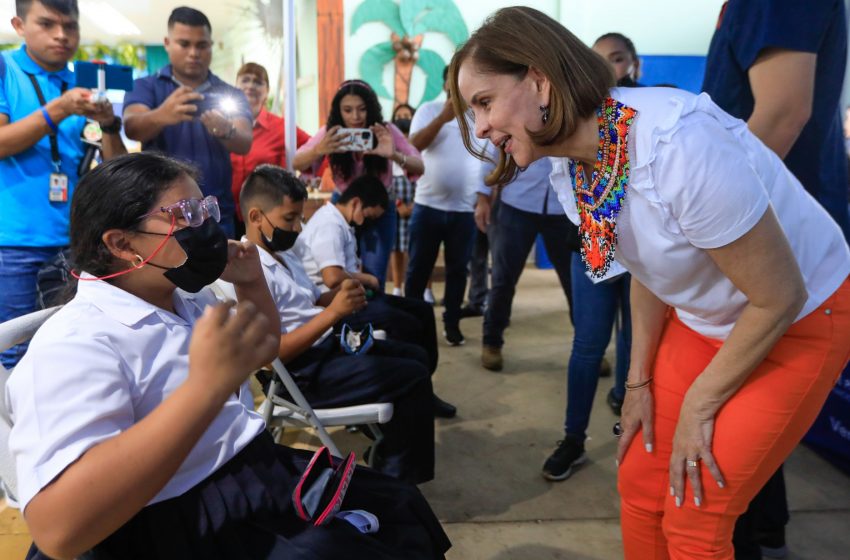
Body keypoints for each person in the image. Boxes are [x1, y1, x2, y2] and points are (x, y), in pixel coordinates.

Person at [449, 7, 850, 560]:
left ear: (539, 80)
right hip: (705, 319)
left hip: (795, 322)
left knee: (695, 512)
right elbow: (649, 269)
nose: (481, 127)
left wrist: (697, 406)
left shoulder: (676, 143)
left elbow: (780, 296)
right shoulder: (573, 164)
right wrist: (638, 383)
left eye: (484, 102)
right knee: (639, 483)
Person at [5, 152, 451, 560]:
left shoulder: (182, 297)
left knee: (402, 509)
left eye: (206, 211)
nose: (206, 228)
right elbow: (58, 530)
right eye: (185, 216)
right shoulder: (76, 343)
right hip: (181, 515)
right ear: (122, 244)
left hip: (250, 469)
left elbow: (266, 349)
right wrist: (205, 388)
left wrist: (252, 282)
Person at [702, 1, 850, 557]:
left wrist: (707, 218)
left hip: (764, 235)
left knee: (722, 408)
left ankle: (750, 538)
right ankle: (762, 533)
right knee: (746, 404)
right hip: (771, 227)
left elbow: (784, 111)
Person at [233, 164, 437, 484]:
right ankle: (398, 476)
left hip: (327, 347)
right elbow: (271, 359)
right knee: (413, 376)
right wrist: (334, 312)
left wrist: (342, 295)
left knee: (415, 356)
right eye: (290, 219)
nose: (298, 228)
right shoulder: (248, 275)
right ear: (256, 216)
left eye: (299, 218)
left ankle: (392, 451)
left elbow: (313, 301)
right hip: (303, 375)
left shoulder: (284, 255)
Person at [0, 0, 125, 369]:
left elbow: (116, 167)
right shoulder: (5, 68)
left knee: (74, 346)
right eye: (48, 24)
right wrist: (59, 109)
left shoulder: (83, 82)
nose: (61, 35)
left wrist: (108, 124)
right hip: (16, 242)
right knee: (14, 349)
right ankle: (14, 427)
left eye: (70, 26)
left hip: (79, 239)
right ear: (20, 25)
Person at [294, 175, 455, 418]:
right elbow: (332, 277)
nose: (369, 220)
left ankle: (424, 387)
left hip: (351, 298)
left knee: (421, 310)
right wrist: (367, 279)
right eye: (370, 214)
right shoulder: (329, 224)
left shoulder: (339, 222)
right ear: (356, 203)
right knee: (407, 324)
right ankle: (410, 386)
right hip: (336, 305)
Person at [123, 6, 253, 239]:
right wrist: (163, 114)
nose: (194, 53)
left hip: (216, 213)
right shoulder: (146, 86)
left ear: (211, 46)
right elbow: (132, 127)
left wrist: (227, 130)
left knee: (222, 276)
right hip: (161, 216)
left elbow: (244, 143)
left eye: (202, 45)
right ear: (167, 43)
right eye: (184, 44)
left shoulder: (229, 93)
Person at [293, 80, 423, 290]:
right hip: (343, 207)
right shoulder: (331, 132)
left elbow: (419, 166)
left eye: (362, 109)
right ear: (339, 111)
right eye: (348, 110)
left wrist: (393, 155)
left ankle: (372, 317)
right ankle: (350, 318)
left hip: (378, 209)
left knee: (375, 273)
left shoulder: (385, 130)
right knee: (341, 268)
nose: (355, 117)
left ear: (371, 108)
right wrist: (320, 149)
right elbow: (297, 162)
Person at [406, 67, 482, 346]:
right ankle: (411, 327)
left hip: (464, 211)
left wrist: (485, 198)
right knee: (418, 270)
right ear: (445, 84)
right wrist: (442, 118)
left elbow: (489, 157)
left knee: (458, 271)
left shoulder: (478, 117)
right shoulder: (429, 110)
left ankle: (452, 325)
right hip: (428, 207)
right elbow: (413, 147)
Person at [230, 62, 311, 237]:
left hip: (267, 218)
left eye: (258, 82)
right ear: (235, 87)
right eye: (245, 80)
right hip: (227, 216)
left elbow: (314, 149)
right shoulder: (223, 125)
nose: (251, 85)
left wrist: (308, 177)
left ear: (267, 92)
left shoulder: (282, 127)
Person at [389, 112, 416, 297]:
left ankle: (425, 289)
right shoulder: (389, 162)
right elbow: (387, 184)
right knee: (396, 250)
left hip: (416, 208)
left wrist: (414, 206)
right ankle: (397, 287)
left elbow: (424, 183)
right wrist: (398, 204)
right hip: (396, 210)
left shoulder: (417, 160)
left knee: (417, 251)